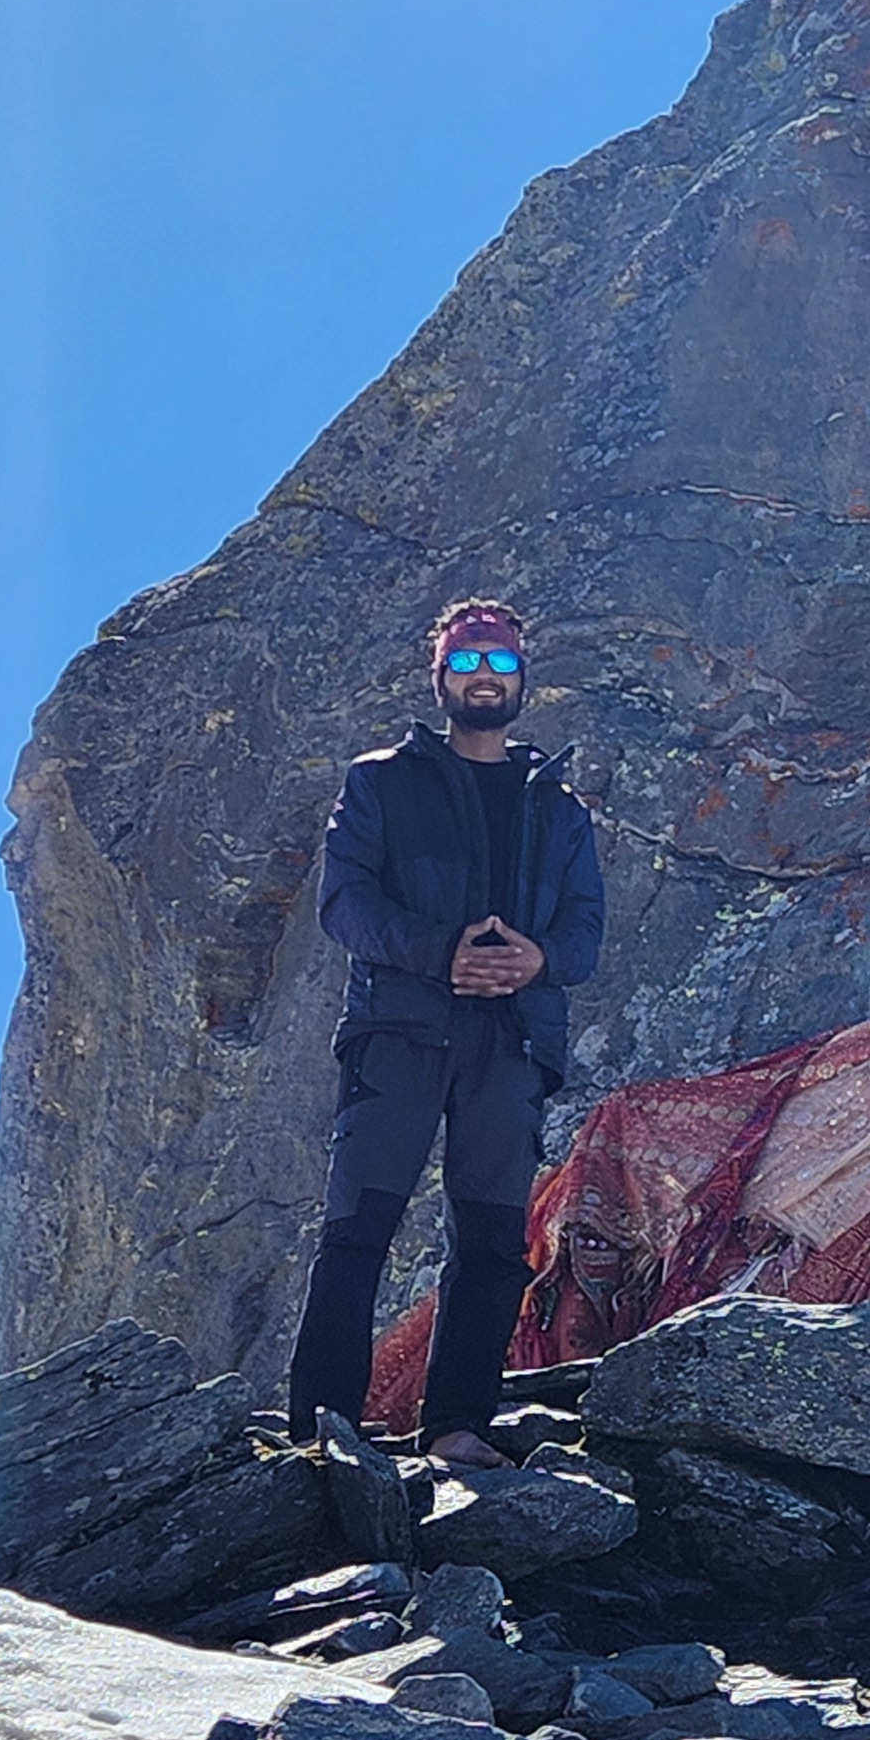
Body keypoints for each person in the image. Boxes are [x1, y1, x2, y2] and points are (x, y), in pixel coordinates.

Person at [284, 598, 604, 1467]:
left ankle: (459, 1426)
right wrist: (441, 954)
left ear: (523, 679)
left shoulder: (561, 810)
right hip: (400, 1032)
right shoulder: (381, 781)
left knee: (494, 1241)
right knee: (359, 1227)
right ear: (441, 679)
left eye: (500, 662)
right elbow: (345, 905)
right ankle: (320, 1428)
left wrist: (533, 962)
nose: (485, 678)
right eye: (467, 663)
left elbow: (583, 936)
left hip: (511, 1045)